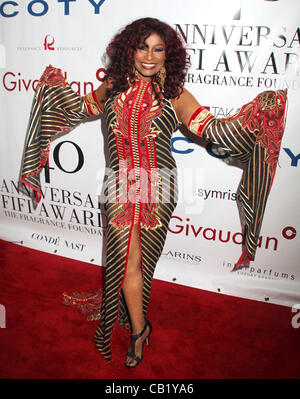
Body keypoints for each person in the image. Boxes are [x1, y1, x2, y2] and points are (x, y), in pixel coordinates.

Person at [20, 17, 287, 368]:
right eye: (142, 47)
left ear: (168, 54)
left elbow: (216, 131)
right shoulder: (113, 85)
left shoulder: (175, 95)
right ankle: (140, 328)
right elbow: (81, 108)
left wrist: (259, 115)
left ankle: (136, 325)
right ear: (128, 49)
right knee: (125, 259)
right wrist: (51, 95)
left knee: (141, 263)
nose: (149, 56)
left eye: (158, 49)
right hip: (118, 186)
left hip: (158, 190)